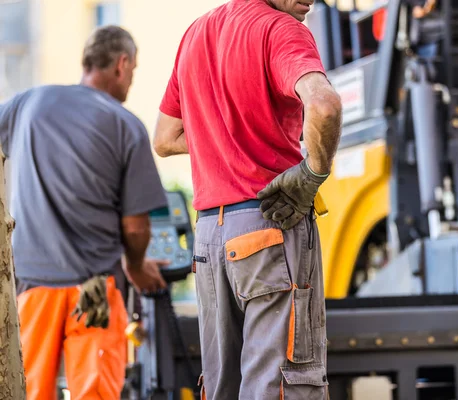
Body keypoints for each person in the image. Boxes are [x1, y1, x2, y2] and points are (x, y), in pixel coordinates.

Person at [153, 0, 342, 399]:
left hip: (209, 240)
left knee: (223, 386)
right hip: (269, 225)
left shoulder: (195, 35)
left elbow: (165, 138)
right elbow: (324, 105)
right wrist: (313, 173)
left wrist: (221, 141)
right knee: (279, 387)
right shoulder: (281, 30)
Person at [0, 26, 170, 399]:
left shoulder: (27, 103)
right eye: (135, 69)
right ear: (122, 65)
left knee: (26, 390)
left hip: (31, 287)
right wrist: (137, 265)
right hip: (94, 289)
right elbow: (136, 227)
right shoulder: (125, 124)